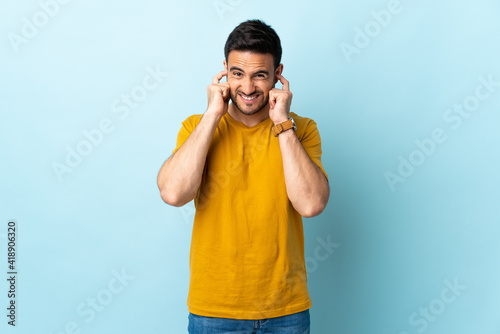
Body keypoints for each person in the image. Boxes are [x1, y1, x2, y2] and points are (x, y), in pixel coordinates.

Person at [157, 19, 329, 334]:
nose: (247, 88)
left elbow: (311, 204)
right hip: (214, 310)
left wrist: (282, 122)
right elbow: (173, 194)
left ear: (278, 75)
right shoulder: (197, 126)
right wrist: (212, 115)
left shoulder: (301, 129)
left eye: (259, 75)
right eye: (238, 74)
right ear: (224, 70)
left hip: (285, 311)